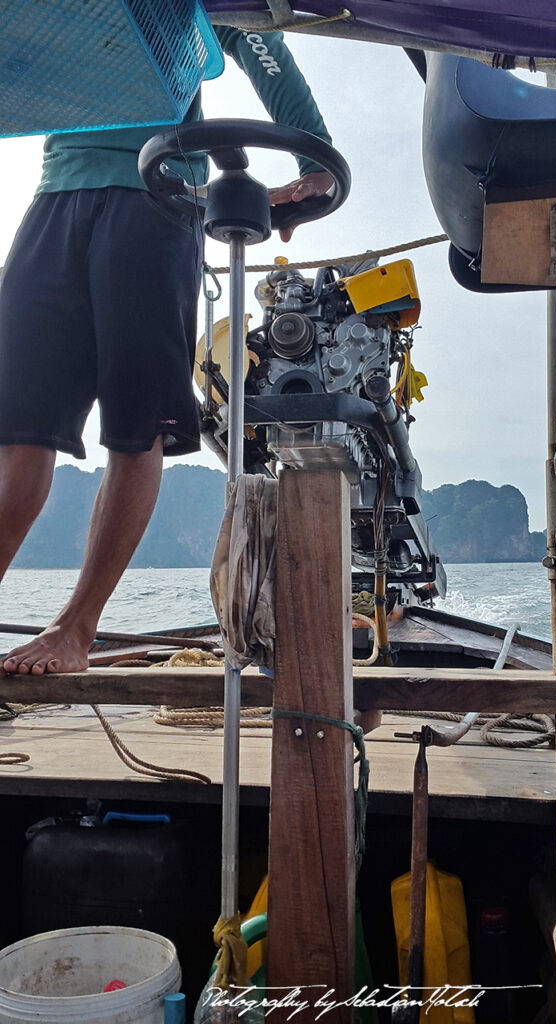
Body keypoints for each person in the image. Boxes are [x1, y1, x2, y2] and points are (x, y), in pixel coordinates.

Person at [0, 26, 334, 676]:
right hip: (54, 195)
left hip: (157, 198)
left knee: (136, 429)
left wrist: (313, 159)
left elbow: (257, 42)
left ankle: (76, 629)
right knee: (20, 430)